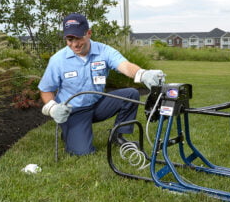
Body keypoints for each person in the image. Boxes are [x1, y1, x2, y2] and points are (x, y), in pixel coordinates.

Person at [38, 13, 164, 156]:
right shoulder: (58, 60)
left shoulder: (104, 51)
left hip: (98, 104)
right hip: (74, 111)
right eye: (70, 39)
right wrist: (53, 108)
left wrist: (142, 74)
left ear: (89, 33)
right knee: (83, 152)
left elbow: (124, 65)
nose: (74, 44)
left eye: (78, 38)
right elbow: (45, 90)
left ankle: (118, 136)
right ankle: (70, 132)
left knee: (131, 94)